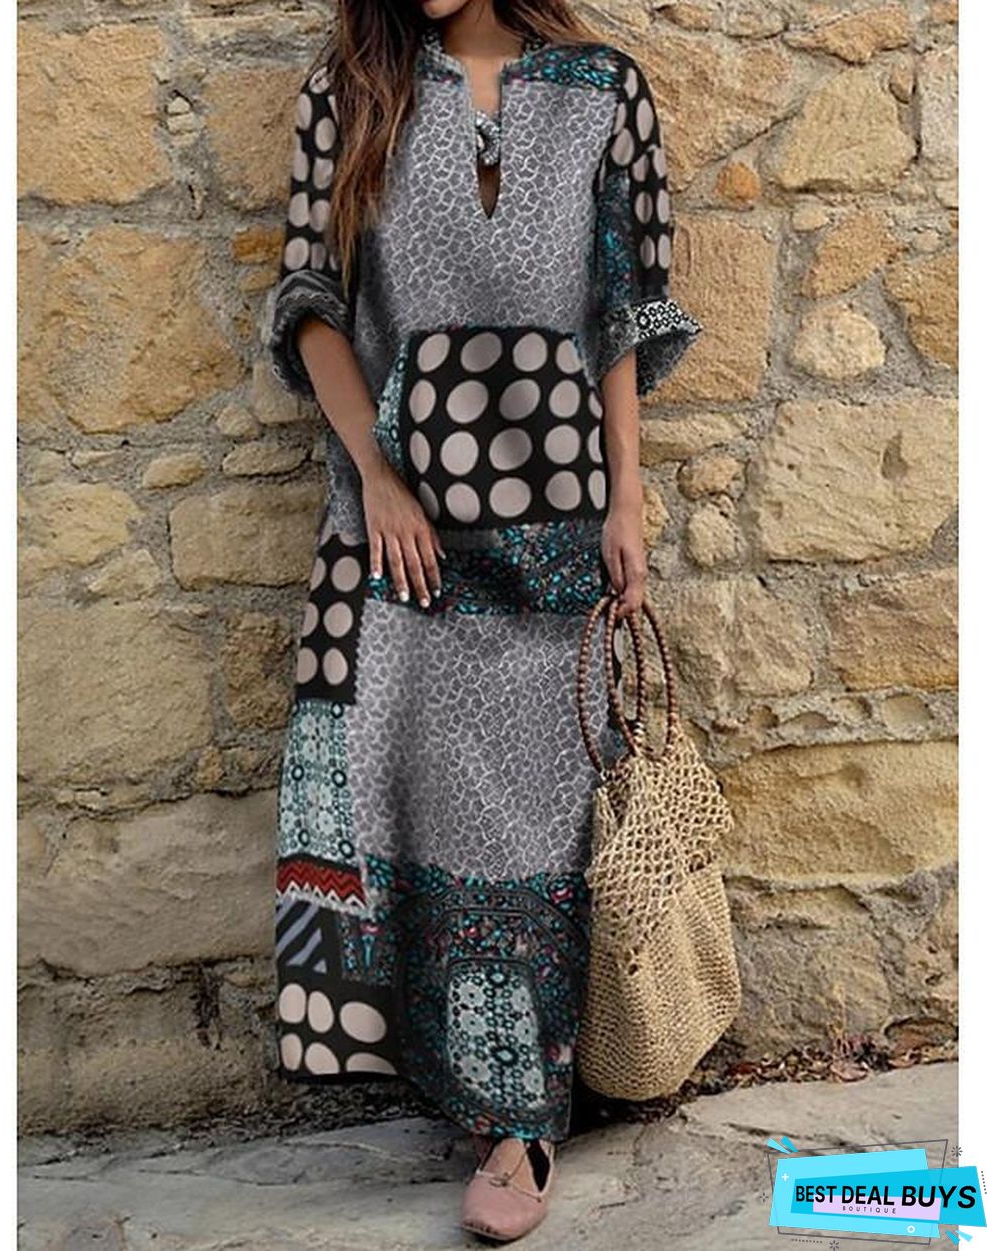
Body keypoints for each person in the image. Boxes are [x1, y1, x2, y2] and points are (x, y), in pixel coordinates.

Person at [267, 0, 701, 1240]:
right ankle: (473, 1095)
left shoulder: (604, 91)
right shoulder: (348, 95)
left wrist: (627, 498)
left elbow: (621, 307)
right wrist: (376, 476)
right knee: (406, 799)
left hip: (560, 522)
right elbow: (309, 304)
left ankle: (523, 1122)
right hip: (402, 531)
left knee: (544, 821)